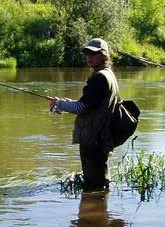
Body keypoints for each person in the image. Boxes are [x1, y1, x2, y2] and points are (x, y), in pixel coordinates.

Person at [49, 38, 119, 191]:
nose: (89, 56)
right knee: (100, 182)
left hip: (94, 138)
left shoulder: (99, 78)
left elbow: (81, 108)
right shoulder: (108, 74)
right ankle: (101, 211)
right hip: (101, 136)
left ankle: (96, 212)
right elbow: (90, 105)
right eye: (87, 53)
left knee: (94, 185)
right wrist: (65, 102)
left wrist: (59, 104)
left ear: (104, 56)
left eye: (93, 53)